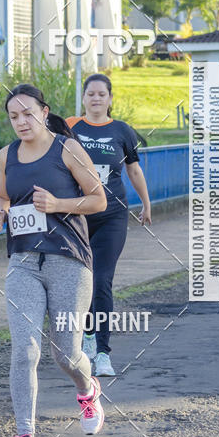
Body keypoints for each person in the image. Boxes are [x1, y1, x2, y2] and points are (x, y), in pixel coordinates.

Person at [0, 83, 107, 437]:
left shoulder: (67, 149)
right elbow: (5, 198)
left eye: (27, 114)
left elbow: (99, 198)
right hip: (23, 261)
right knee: (24, 349)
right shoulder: (6, 155)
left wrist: (57, 204)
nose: (21, 122)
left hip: (69, 262)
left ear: (44, 111)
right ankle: (24, 436)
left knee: (66, 354)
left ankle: (88, 391)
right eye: (13, 117)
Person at [67, 73, 151, 378]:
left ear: (110, 98)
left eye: (102, 94)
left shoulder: (122, 131)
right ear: (84, 97)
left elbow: (134, 170)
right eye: (91, 93)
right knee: (79, 282)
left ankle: (102, 352)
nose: (96, 98)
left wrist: (146, 202)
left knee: (101, 280)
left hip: (112, 215)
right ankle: (86, 336)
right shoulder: (70, 128)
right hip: (76, 216)